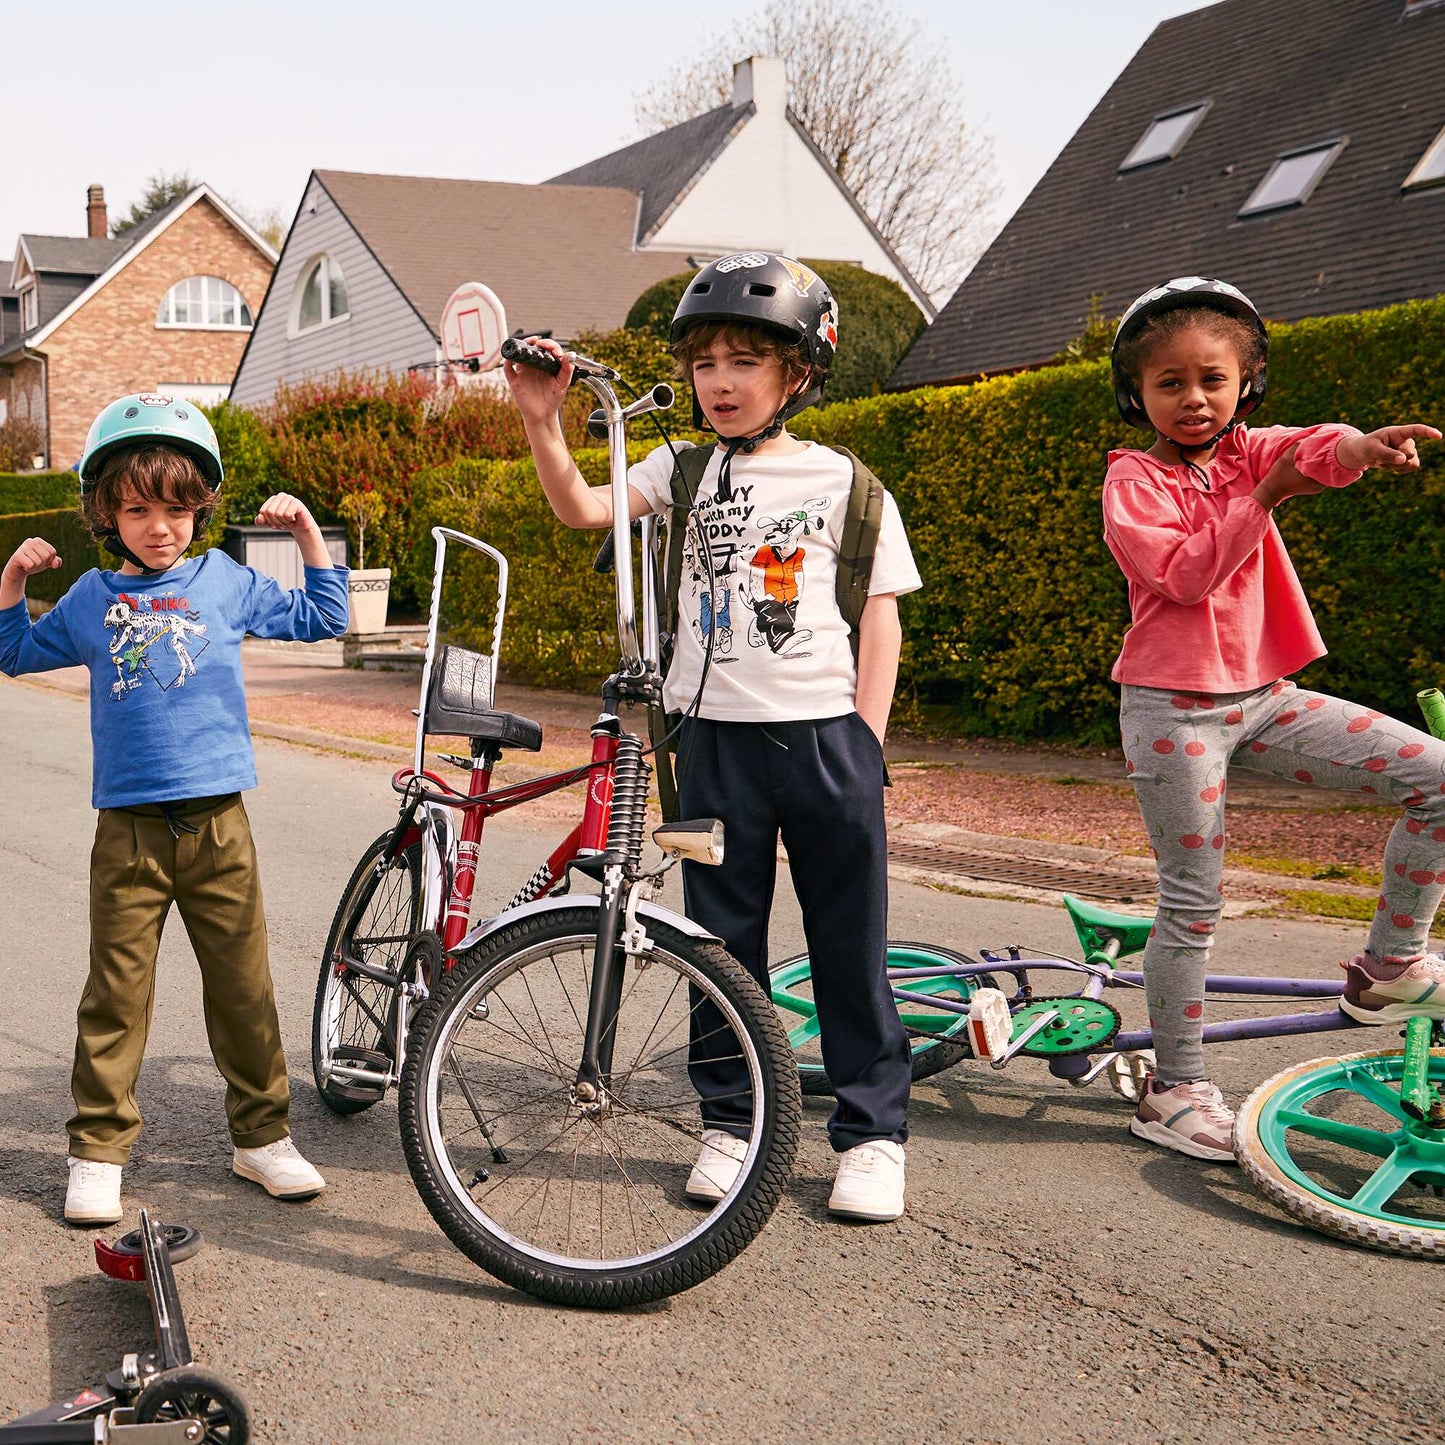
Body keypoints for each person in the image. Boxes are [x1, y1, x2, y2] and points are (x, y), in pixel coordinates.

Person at [504, 254, 921, 1220]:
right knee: (716, 945)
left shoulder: (848, 484)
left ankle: (871, 1135)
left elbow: (880, 617)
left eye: (745, 361)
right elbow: (582, 507)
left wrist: (866, 740)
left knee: (846, 945)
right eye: (705, 364)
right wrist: (541, 419)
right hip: (711, 751)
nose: (721, 382)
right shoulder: (680, 468)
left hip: (825, 743)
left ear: (799, 372)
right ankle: (730, 1125)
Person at [1103, 276, 1442, 1162]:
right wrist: (1266, 499)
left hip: (1267, 698)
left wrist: (1364, 447)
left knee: (1437, 776)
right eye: (1168, 382)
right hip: (1174, 711)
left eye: (1211, 379)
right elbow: (1179, 576)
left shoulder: (1253, 451)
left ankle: (1390, 964)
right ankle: (1171, 1087)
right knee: (1193, 901)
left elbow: (1314, 447)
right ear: (1136, 393)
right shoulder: (1132, 480)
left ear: (1243, 383)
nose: (1192, 398)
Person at [0, 393, 350, 1223]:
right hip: (128, 830)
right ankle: (97, 1149)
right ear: (105, 512)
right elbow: (10, 650)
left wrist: (305, 534)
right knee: (116, 993)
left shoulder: (225, 580)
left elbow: (324, 615)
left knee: (243, 988)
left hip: (221, 822)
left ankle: (261, 1137)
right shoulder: (89, 598)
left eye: (180, 508)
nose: (161, 526)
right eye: (138, 507)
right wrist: (13, 578)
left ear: (202, 508)